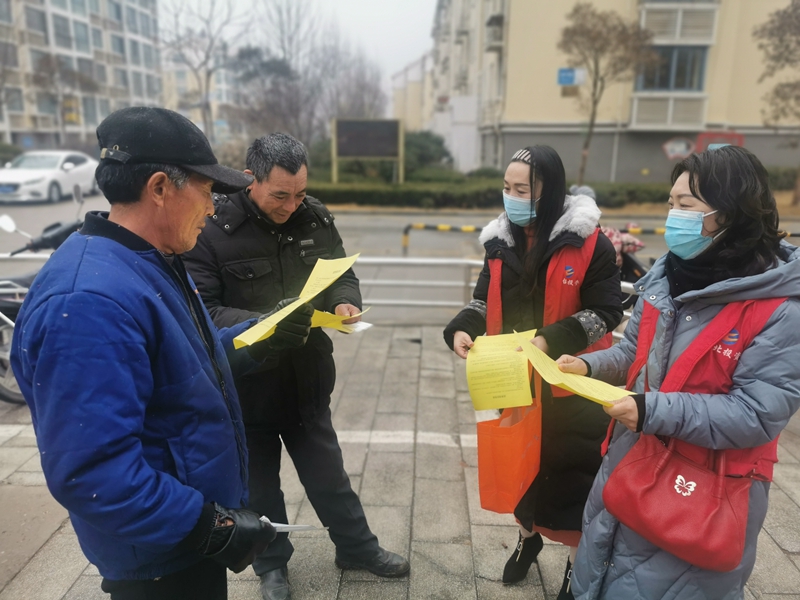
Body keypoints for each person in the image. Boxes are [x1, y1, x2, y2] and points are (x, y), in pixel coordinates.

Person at [10, 107, 316, 600]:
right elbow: (93, 472)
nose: (213, 208)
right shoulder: (89, 302)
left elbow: (187, 365)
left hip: (183, 534)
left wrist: (264, 335)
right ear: (159, 188)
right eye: (207, 191)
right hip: (159, 557)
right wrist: (209, 527)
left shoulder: (150, 259)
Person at [560, 146, 800, 599]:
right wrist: (587, 364)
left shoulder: (780, 310)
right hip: (628, 462)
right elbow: (634, 352)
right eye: (671, 203)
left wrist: (652, 410)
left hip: (700, 494)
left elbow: (756, 415)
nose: (673, 216)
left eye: (685, 205)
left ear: (729, 212)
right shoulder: (667, 277)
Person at [184, 133, 410, 600]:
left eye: (300, 193)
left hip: (306, 376)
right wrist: (271, 320)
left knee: (329, 475)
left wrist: (345, 301)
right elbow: (205, 313)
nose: (292, 205)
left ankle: (356, 547)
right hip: (248, 385)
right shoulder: (213, 229)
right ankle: (271, 566)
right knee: (260, 488)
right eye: (280, 195)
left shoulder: (315, 215)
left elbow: (341, 273)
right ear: (251, 179)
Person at [443, 145, 623, 598]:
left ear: (551, 191)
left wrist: (548, 341)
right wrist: (462, 328)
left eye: (522, 190)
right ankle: (528, 539)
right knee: (520, 473)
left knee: (573, 482)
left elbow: (605, 312)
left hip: (571, 386)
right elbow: (482, 300)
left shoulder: (590, 243)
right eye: (507, 188)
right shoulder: (499, 243)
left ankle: (575, 569)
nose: (511, 197)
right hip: (514, 382)